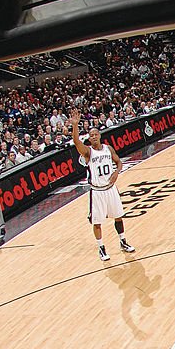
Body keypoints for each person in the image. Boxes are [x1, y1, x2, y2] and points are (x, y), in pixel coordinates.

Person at [70, 110, 134, 261]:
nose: (93, 137)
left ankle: (123, 241)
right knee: (97, 222)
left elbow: (119, 162)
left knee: (118, 217)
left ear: (99, 135)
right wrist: (75, 126)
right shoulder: (88, 152)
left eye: (95, 135)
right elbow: (76, 142)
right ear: (89, 139)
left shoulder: (108, 148)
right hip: (97, 191)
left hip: (111, 189)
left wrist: (117, 172)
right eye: (91, 136)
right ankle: (101, 248)